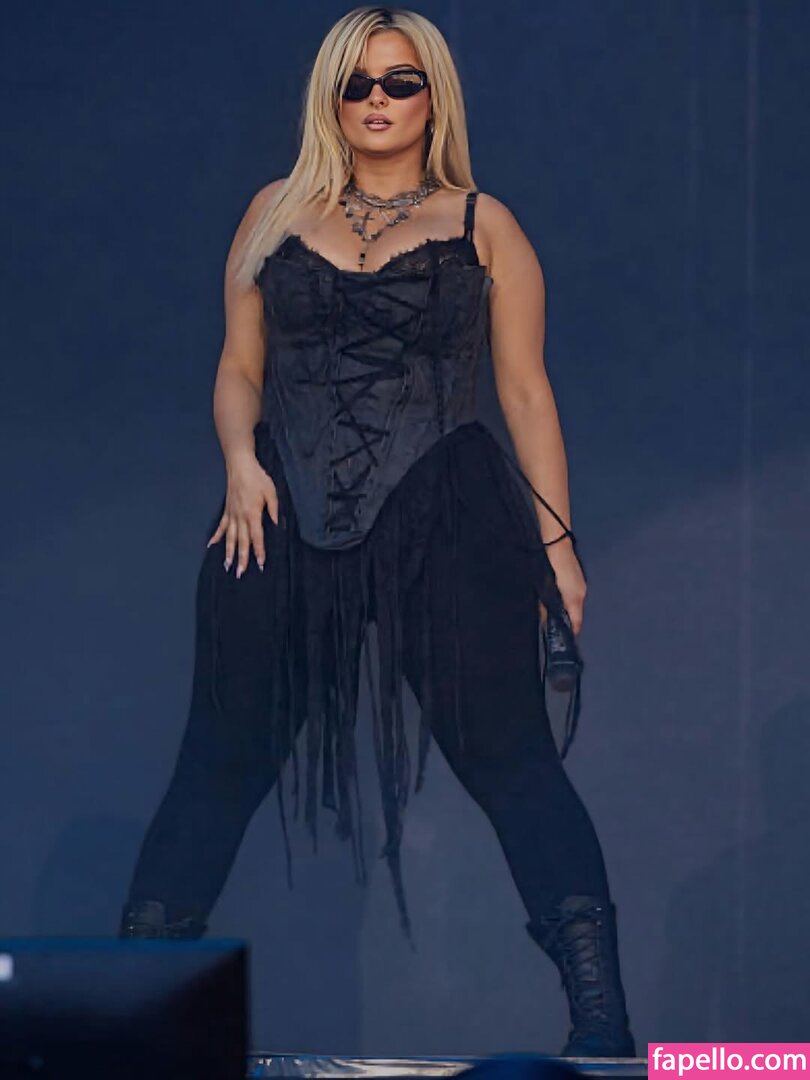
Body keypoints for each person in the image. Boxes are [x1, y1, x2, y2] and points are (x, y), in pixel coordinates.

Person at [118, 4, 636, 1059]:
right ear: (331, 98)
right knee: (219, 758)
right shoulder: (273, 211)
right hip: (278, 511)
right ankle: (123, 1025)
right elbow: (239, 366)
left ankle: (604, 1030)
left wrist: (560, 549)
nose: (377, 100)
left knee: (509, 758)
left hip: (446, 511)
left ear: (434, 97)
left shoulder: (483, 222)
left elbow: (525, 393)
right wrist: (239, 460)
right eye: (357, 82)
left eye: (400, 81)